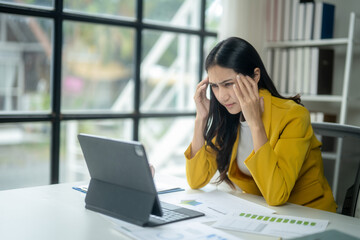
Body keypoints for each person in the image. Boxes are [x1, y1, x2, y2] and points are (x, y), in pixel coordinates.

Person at [184, 37, 337, 212]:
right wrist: (201, 119)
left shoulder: (293, 116)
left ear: (255, 75)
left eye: (228, 84)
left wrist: (255, 123)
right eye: (215, 86)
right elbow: (195, 180)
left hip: (309, 214)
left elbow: (276, 195)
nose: (222, 96)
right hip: (260, 211)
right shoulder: (229, 114)